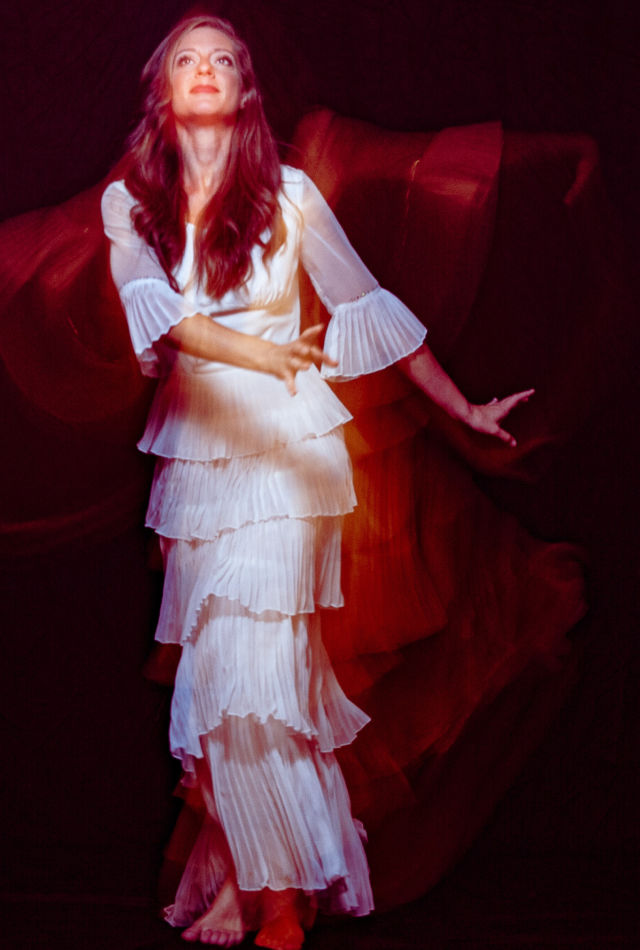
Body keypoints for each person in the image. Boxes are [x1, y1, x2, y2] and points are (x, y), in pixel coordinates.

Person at [102, 14, 537, 949]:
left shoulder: (289, 194)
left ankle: (274, 907)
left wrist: (464, 409)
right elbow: (165, 321)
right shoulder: (129, 205)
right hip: (196, 462)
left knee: (258, 671)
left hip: (290, 456)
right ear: (163, 88)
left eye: (224, 59)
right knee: (224, 684)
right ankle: (252, 878)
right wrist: (261, 355)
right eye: (187, 59)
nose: (206, 69)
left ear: (245, 89)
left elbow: (366, 303)